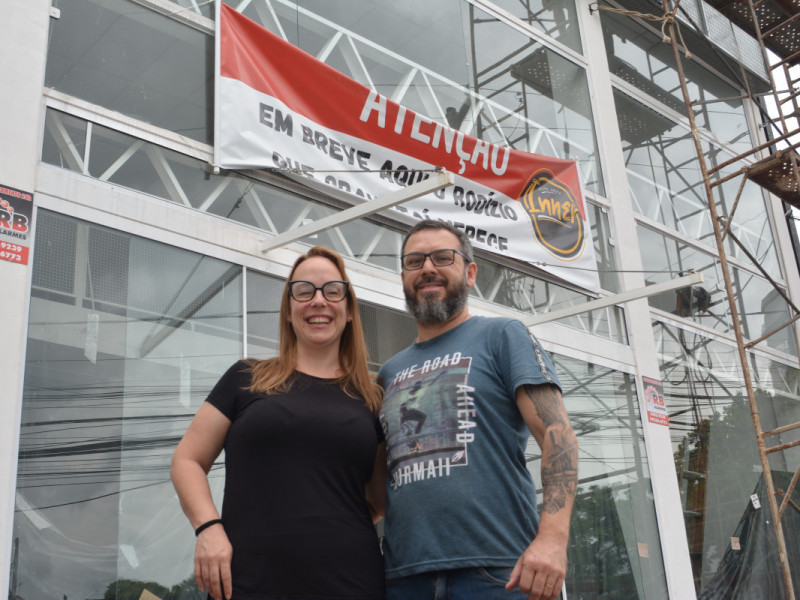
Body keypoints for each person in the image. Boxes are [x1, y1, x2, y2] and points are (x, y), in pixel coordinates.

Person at [171, 246, 386, 600]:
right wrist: (208, 528)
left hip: (351, 584)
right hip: (247, 583)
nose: (319, 301)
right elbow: (186, 461)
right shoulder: (246, 377)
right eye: (304, 290)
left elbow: (378, 501)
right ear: (288, 309)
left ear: (349, 311)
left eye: (333, 290)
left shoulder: (371, 397)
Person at [378, 221, 578, 600]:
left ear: (470, 273)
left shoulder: (504, 335)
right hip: (404, 578)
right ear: (403, 276)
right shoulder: (388, 373)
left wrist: (553, 539)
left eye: (442, 257)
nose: (427, 268)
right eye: (415, 261)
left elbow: (559, 436)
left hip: (498, 573)